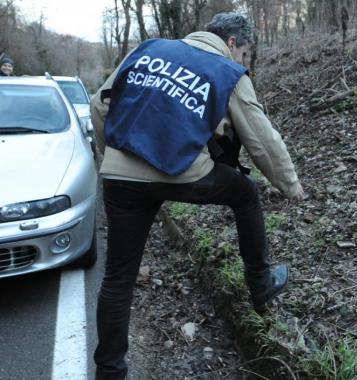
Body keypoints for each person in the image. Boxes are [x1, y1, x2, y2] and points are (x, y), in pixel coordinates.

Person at [90, 12, 304, 380]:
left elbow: (99, 106)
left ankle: (109, 372)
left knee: (117, 278)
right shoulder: (226, 71)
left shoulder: (148, 49)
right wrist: (291, 185)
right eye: (245, 53)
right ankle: (260, 282)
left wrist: (107, 159)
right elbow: (261, 139)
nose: (242, 61)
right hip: (180, 172)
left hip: (120, 176)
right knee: (245, 194)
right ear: (233, 43)